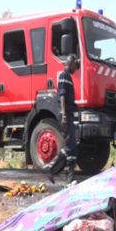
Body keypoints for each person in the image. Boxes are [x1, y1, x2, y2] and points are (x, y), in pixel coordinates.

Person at [45, 54, 78, 184]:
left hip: (68, 114)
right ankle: (60, 174)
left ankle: (54, 172)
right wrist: (64, 115)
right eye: (76, 65)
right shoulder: (64, 75)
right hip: (64, 114)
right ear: (71, 63)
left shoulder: (68, 76)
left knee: (71, 146)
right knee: (71, 147)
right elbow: (63, 96)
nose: (76, 68)